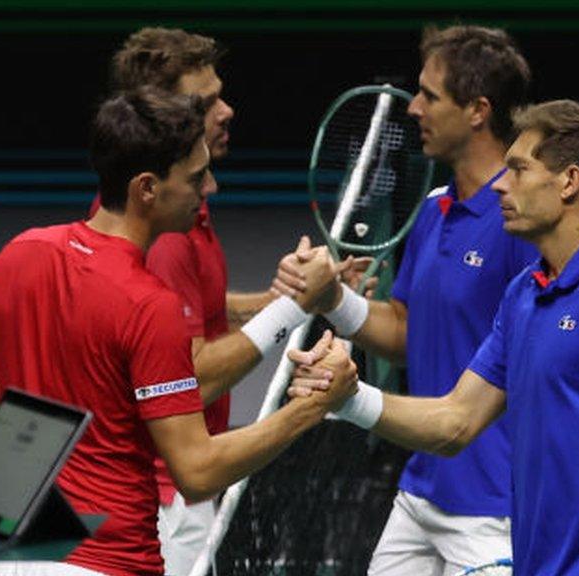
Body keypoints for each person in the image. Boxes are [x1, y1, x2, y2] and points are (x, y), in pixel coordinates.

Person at [291, 99, 579, 576]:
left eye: (519, 170)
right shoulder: (523, 295)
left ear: (570, 181)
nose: (501, 186)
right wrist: (348, 398)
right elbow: (455, 422)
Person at [0, 90, 356, 576]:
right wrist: (311, 408)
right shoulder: (150, 306)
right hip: (108, 564)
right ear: (146, 188)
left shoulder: (21, 253)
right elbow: (197, 472)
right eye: (196, 177)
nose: (210, 187)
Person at [275, 25, 536, 576]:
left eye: (429, 95)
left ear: (478, 111)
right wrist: (332, 298)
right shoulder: (436, 211)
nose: (412, 107)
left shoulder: (522, 226)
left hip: (495, 508)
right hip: (421, 491)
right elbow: (405, 336)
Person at [106, 28, 360, 575]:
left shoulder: (161, 212)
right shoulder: (170, 236)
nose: (226, 110)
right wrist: (292, 308)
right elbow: (191, 379)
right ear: (163, 119)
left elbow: (183, 312)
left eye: (220, 93)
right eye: (204, 104)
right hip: (165, 495)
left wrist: (281, 298)